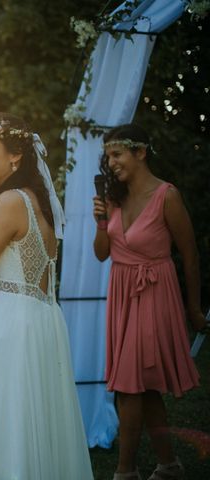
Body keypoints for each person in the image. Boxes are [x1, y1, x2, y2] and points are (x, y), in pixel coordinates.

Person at [0, 112, 93, 479]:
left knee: (9, 425)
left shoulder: (10, 201)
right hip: (38, 323)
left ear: (15, 156)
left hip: (17, 333)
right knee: (33, 422)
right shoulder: (36, 199)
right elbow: (28, 283)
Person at [92, 124, 208, 480]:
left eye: (117, 155)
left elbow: (189, 257)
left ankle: (124, 473)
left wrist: (193, 308)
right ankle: (169, 465)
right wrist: (100, 223)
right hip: (122, 294)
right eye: (108, 156)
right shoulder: (115, 197)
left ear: (140, 153)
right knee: (142, 385)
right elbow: (101, 255)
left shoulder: (166, 196)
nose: (110, 163)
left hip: (155, 292)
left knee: (129, 387)